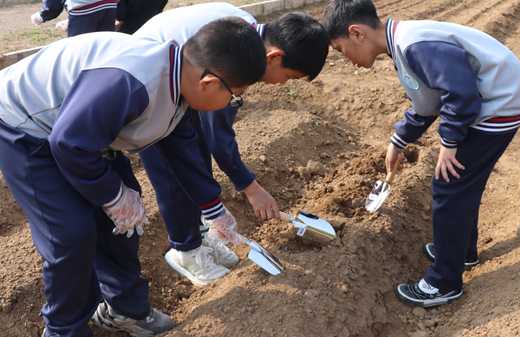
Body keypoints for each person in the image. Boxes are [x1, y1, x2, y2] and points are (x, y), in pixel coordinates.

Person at [0, 18, 266, 337]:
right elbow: (68, 144)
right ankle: (62, 330)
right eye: (235, 96)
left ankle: (125, 310)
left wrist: (213, 209)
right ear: (209, 83)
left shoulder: (179, 83)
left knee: (125, 223)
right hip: (24, 125)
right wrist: (112, 194)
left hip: (80, 131)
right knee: (71, 233)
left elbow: (182, 153)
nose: (232, 103)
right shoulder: (133, 82)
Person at [322, 0, 520, 307]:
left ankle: (444, 282)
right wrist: (399, 140)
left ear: (356, 33)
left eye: (341, 50)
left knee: (449, 185)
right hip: (495, 99)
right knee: (462, 184)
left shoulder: (414, 45)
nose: (347, 60)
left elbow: (460, 94)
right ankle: (460, 251)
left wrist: (449, 143)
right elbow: (428, 101)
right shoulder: (403, 43)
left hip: (500, 103)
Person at [133, 2, 330, 286]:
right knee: (173, 170)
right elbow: (218, 134)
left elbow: (209, 135)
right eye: (289, 77)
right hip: (149, 88)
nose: (282, 85)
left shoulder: (247, 32)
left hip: (176, 81)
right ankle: (185, 250)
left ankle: (200, 236)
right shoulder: (237, 55)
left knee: (195, 158)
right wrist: (251, 188)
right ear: (274, 57)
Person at [31, 0, 118, 36]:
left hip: (83, 7)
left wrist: (42, 16)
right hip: (110, 5)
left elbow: (53, 4)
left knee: (79, 50)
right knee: (104, 46)